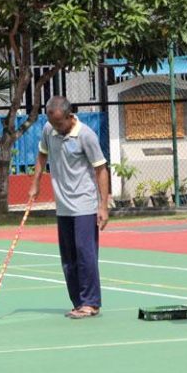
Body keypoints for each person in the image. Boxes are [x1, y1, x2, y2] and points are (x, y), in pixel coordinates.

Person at [29, 96, 110, 319]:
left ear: (69, 116)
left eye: (59, 123)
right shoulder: (48, 129)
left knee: (86, 254)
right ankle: (78, 302)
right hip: (62, 205)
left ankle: (91, 302)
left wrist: (103, 206)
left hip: (84, 204)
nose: (56, 127)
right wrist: (35, 182)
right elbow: (42, 154)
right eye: (52, 123)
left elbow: (101, 169)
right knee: (68, 258)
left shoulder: (86, 136)